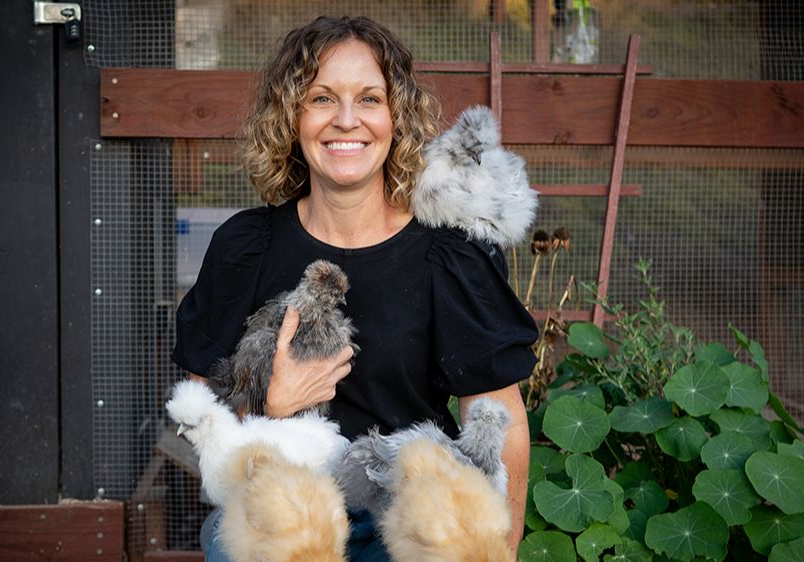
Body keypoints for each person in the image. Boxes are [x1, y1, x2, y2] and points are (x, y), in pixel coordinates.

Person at [172, 15, 538, 561]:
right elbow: (198, 421)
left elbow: (499, 423)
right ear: (291, 116)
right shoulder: (245, 248)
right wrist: (273, 406)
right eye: (322, 99)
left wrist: (496, 551)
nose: (347, 121)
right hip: (281, 518)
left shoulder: (446, 258)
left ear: (397, 118)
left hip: (410, 522)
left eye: (369, 99)